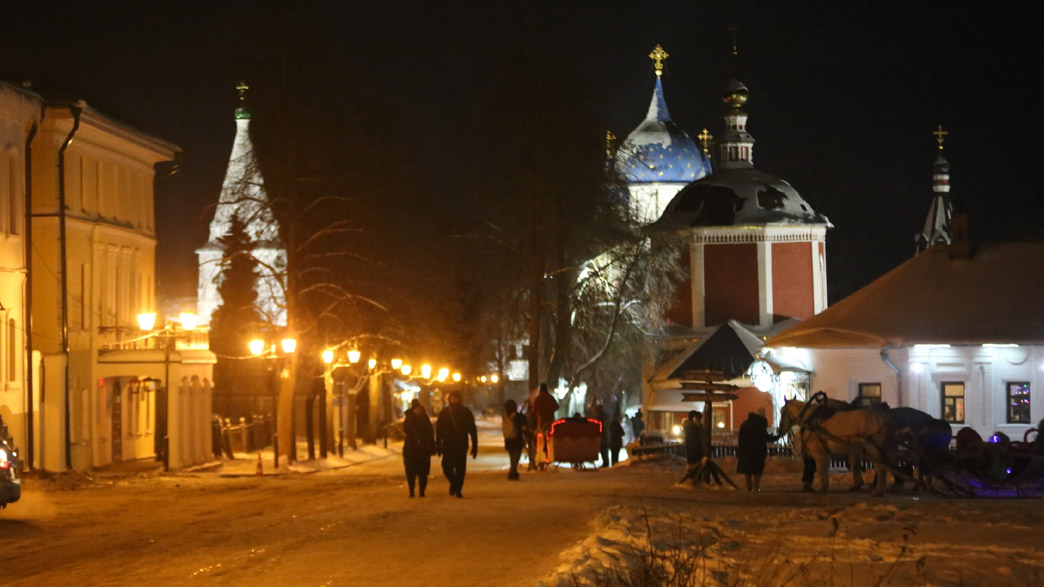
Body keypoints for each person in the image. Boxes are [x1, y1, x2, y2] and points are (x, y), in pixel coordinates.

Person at [436, 390, 478, 498]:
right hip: (448, 444)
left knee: (460, 469)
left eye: (456, 398)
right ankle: (454, 483)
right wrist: (438, 445)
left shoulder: (465, 412)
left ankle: (458, 490)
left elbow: (472, 429)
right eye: (452, 398)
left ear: (459, 399)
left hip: (461, 443)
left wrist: (475, 445)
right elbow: (439, 430)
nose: (454, 400)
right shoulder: (445, 413)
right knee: (446, 467)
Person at [736, 408, 779, 492]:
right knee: (757, 470)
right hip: (758, 452)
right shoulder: (760, 424)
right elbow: (765, 437)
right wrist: (777, 437)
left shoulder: (745, 423)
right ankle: (756, 488)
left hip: (745, 451)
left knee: (747, 470)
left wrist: (741, 449)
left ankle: (748, 487)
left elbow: (740, 439)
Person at [402, 399, 435, 497]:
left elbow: (430, 432)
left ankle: (422, 491)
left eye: (418, 409)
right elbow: (406, 429)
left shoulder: (424, 419)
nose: (417, 411)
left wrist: (431, 445)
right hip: (411, 449)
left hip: (422, 449)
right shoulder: (409, 418)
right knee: (410, 472)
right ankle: (411, 491)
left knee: (423, 472)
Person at [532, 383, 559, 470]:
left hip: (541, 423)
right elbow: (556, 407)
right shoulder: (550, 398)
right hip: (550, 422)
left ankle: (541, 458)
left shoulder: (537, 399)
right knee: (549, 440)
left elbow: (534, 411)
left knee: (540, 440)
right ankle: (549, 456)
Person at [502, 399, 529, 480]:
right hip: (517, 439)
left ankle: (513, 472)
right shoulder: (518, 416)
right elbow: (524, 427)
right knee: (516, 457)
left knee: (512, 457)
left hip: (508, 439)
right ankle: (512, 473)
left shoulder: (505, 417)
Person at [521, 399, 538, 471]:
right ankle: (532, 463)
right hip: (532, 434)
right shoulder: (534, 415)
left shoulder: (526, 415)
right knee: (532, 449)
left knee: (530, 449)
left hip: (528, 434)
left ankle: (531, 463)